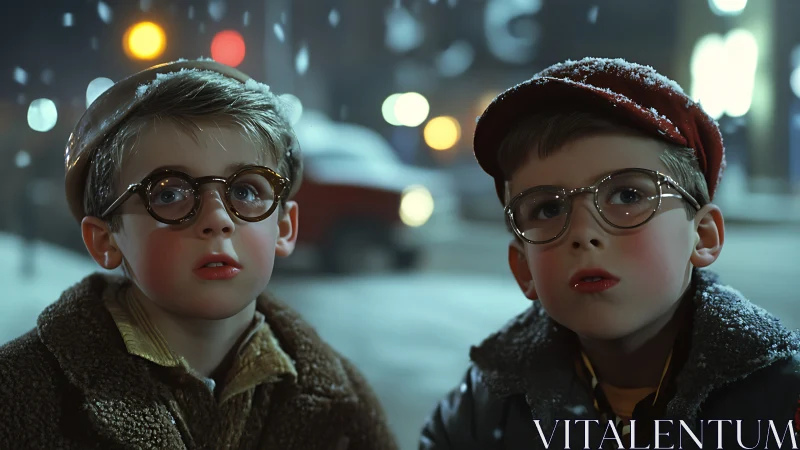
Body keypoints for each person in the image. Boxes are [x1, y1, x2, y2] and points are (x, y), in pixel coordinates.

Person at [0, 59, 398, 450]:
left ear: (284, 226)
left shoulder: (345, 407)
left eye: (245, 191)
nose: (217, 219)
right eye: (169, 194)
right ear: (105, 240)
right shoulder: (21, 394)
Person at [419, 58, 800, 450]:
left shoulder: (784, 399)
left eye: (628, 195)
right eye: (548, 209)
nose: (584, 234)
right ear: (523, 268)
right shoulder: (481, 410)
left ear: (702, 236)